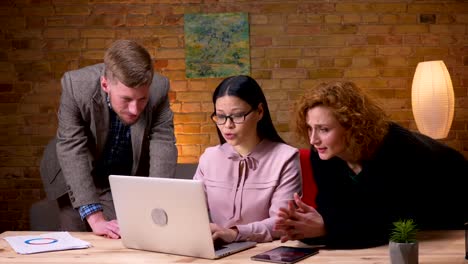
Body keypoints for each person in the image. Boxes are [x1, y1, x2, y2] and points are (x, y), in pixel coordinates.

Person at [275, 81, 468, 249]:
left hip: (452, 212)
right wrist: (305, 226)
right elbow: (332, 209)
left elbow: (390, 223)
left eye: (324, 129)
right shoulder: (323, 152)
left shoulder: (400, 149)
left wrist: (326, 228)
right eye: (310, 128)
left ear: (352, 126)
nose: (313, 139)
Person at [40, 39, 178, 239]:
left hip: (120, 172)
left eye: (142, 99)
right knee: (77, 237)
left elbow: (163, 142)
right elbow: (72, 148)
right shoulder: (76, 86)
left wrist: (156, 200)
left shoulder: (159, 88)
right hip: (73, 167)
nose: (135, 110)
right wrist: (95, 219)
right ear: (105, 85)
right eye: (127, 99)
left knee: (118, 234)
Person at [193, 75, 302, 243]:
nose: (227, 125)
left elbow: (282, 223)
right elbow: (190, 210)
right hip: (218, 250)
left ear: (259, 112)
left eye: (237, 116)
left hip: (265, 253)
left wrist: (235, 234)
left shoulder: (285, 158)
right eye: (221, 116)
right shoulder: (209, 158)